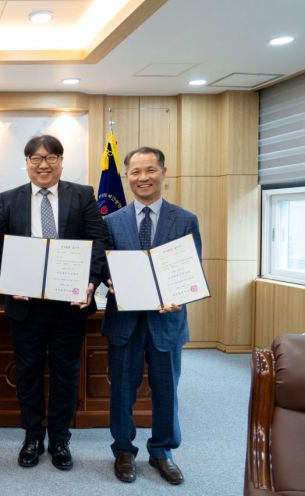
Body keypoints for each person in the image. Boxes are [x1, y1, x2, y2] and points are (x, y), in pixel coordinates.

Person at [0, 134, 108, 471]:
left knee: (65, 373)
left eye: (50, 158)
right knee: (27, 373)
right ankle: (32, 436)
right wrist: (11, 279)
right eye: (36, 158)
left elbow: (98, 240)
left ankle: (60, 438)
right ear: (27, 162)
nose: (43, 165)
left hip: (69, 304)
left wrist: (91, 281)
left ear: (61, 161)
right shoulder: (9, 198)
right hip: (25, 304)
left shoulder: (82, 195)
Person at [102, 147, 201, 485]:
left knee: (166, 390)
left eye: (150, 170)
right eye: (135, 172)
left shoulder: (185, 220)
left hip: (167, 321)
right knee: (122, 392)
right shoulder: (111, 222)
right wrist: (109, 279)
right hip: (125, 322)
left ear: (163, 172)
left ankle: (162, 451)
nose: (143, 177)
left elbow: (192, 269)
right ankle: (123, 450)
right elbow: (104, 265)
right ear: (126, 176)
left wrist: (180, 295)